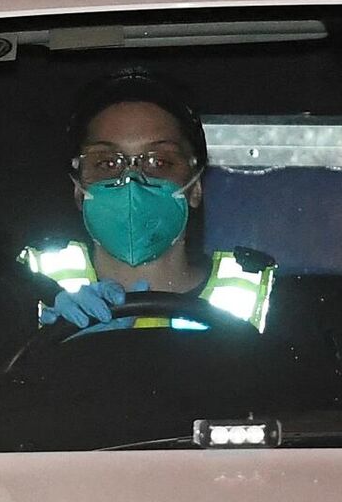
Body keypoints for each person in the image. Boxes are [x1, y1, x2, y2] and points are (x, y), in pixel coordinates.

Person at [25, 66, 274, 335]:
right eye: (107, 163)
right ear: (79, 189)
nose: (131, 180)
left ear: (195, 187)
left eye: (158, 162)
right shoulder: (28, 290)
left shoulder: (265, 300)